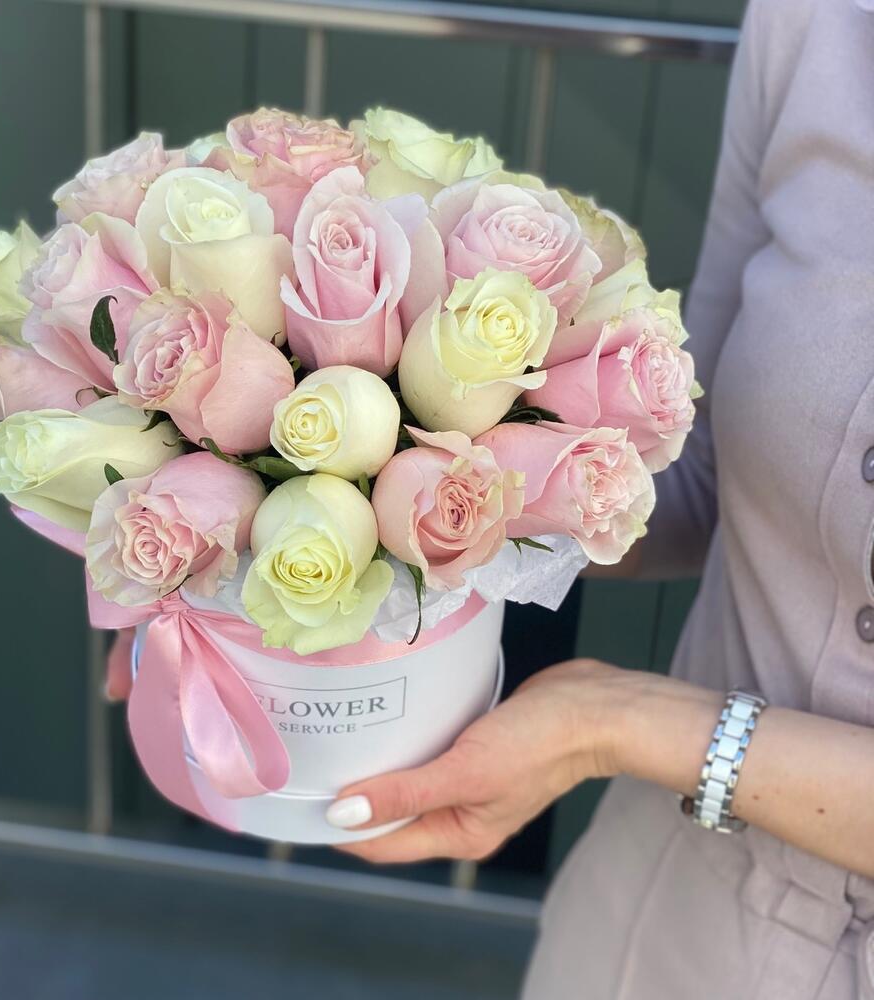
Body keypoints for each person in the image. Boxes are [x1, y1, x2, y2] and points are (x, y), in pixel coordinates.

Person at [323, 0, 874, 995]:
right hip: (666, 931)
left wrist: (615, 723)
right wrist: (325, 503)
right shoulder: (819, 24)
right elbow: (701, 471)